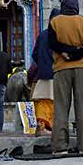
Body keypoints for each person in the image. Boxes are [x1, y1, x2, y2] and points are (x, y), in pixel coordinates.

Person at [49, 0, 83, 154]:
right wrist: (77, 52)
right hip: (81, 67)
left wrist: (65, 52)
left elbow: (52, 43)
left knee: (61, 108)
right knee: (82, 107)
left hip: (62, 68)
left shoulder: (55, 21)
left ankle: (60, 146)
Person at [31, 8, 60, 136]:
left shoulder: (42, 35)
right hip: (56, 72)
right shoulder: (60, 35)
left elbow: (34, 54)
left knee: (42, 100)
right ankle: (50, 127)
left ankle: (41, 124)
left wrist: (42, 64)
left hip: (43, 73)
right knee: (54, 101)